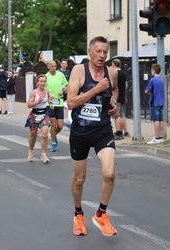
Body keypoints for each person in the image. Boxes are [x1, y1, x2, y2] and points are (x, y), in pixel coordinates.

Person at [67, 36, 118, 237]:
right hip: (80, 131)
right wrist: (96, 89)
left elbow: (113, 93)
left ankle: (101, 214)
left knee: (109, 173)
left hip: (102, 130)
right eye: (98, 51)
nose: (102, 55)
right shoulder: (79, 71)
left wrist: (114, 105)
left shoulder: (111, 72)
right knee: (79, 179)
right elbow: (71, 102)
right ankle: (78, 214)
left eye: (105, 52)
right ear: (90, 52)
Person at [25, 75, 51, 164]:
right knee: (33, 135)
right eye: (41, 81)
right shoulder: (34, 92)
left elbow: (50, 99)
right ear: (37, 82)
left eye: (44, 81)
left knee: (45, 134)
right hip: (34, 115)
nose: (43, 83)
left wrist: (51, 103)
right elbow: (28, 105)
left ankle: (44, 154)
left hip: (44, 114)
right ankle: (31, 151)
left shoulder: (47, 91)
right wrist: (37, 102)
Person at [45, 60, 68, 152]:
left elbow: (67, 85)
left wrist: (63, 91)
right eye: (52, 66)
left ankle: (53, 135)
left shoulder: (60, 75)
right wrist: (48, 96)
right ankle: (54, 143)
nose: (54, 68)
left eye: (55, 66)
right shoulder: (46, 76)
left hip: (59, 103)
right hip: (49, 103)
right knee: (54, 124)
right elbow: (43, 88)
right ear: (48, 67)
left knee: (60, 126)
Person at [145, 64, 165, 144]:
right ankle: (160, 136)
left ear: (153, 70)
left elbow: (147, 91)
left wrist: (148, 92)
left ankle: (156, 137)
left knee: (155, 120)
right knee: (161, 120)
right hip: (161, 102)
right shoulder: (162, 79)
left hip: (155, 102)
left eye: (151, 70)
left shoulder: (152, 80)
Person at [111, 59, 128, 140]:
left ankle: (118, 133)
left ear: (114, 65)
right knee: (121, 115)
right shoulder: (123, 74)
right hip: (122, 96)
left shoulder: (115, 73)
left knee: (117, 116)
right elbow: (126, 85)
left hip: (116, 97)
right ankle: (121, 131)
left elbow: (112, 86)